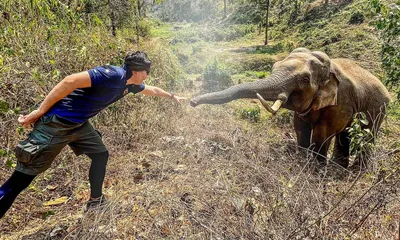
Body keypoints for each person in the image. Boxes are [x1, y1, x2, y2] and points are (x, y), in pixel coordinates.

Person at [0, 51, 186, 218]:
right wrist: (40, 111)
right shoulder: (113, 75)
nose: (147, 76)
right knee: (20, 180)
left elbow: (152, 89)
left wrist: (172, 96)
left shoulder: (129, 85)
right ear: (138, 71)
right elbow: (70, 81)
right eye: (148, 72)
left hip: (79, 125)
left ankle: (96, 201)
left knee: (100, 154)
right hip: (56, 125)